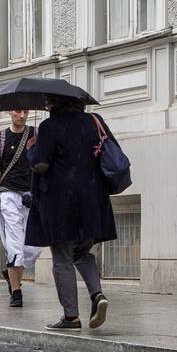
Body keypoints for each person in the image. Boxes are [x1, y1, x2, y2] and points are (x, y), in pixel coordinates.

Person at [26, 97, 117, 330]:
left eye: (47, 103)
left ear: (55, 104)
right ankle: (97, 295)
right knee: (81, 251)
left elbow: (40, 165)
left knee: (63, 258)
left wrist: (32, 149)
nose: (45, 105)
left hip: (61, 203)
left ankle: (71, 317)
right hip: (94, 200)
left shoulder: (50, 126)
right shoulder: (94, 121)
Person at [0, 109, 41, 308]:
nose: (22, 115)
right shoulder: (0, 138)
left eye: (25, 112)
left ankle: (10, 271)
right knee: (15, 243)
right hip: (8, 194)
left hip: (31, 196)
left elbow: (45, 164)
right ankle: (17, 292)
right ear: (10, 112)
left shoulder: (36, 134)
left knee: (33, 248)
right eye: (18, 111)